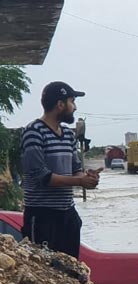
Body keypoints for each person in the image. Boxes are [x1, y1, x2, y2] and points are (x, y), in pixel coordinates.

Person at [20, 81, 102, 258]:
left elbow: (76, 169)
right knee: (44, 272)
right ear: (60, 104)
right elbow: (42, 177)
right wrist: (79, 181)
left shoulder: (68, 134)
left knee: (71, 274)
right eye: (72, 101)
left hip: (68, 214)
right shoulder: (34, 132)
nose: (75, 107)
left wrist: (87, 178)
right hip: (42, 216)